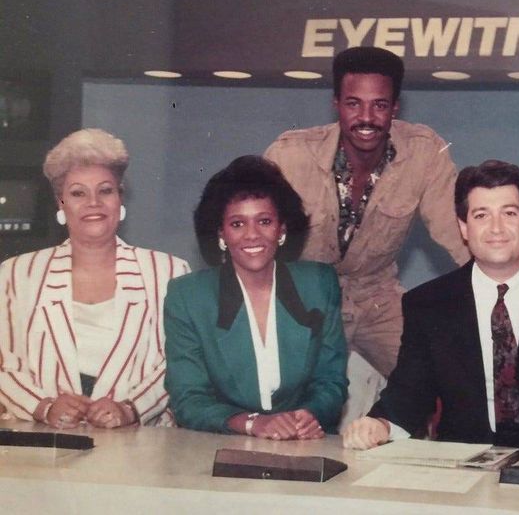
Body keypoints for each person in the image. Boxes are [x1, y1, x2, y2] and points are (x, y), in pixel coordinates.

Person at [342, 160, 519, 467]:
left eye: (509, 213)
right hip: (462, 468)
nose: (496, 228)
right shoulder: (428, 304)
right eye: (481, 215)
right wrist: (380, 425)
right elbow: (410, 392)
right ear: (464, 228)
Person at [264, 46, 469, 382]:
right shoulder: (290, 155)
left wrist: (505, 294)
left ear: (395, 108)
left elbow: (459, 235)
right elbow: (254, 240)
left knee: (446, 384)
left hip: (378, 297)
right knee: (288, 399)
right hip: (304, 301)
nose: (367, 118)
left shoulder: (425, 152)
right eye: (353, 103)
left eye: (380, 105)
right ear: (336, 104)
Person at [0, 129, 189, 428]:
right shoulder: (16, 274)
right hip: (42, 446)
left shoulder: (169, 272)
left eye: (105, 190)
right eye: (78, 193)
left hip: (142, 447)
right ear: (60, 203)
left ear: (120, 197)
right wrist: (43, 407)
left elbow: (180, 363)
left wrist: (131, 409)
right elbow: (4, 366)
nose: (93, 203)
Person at [164, 156, 348, 439]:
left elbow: (331, 381)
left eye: (264, 221)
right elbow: (189, 399)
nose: (252, 235)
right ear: (221, 234)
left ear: (282, 229)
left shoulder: (319, 284)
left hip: (306, 444)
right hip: (221, 447)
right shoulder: (187, 296)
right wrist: (252, 423)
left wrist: (307, 415)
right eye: (237, 224)